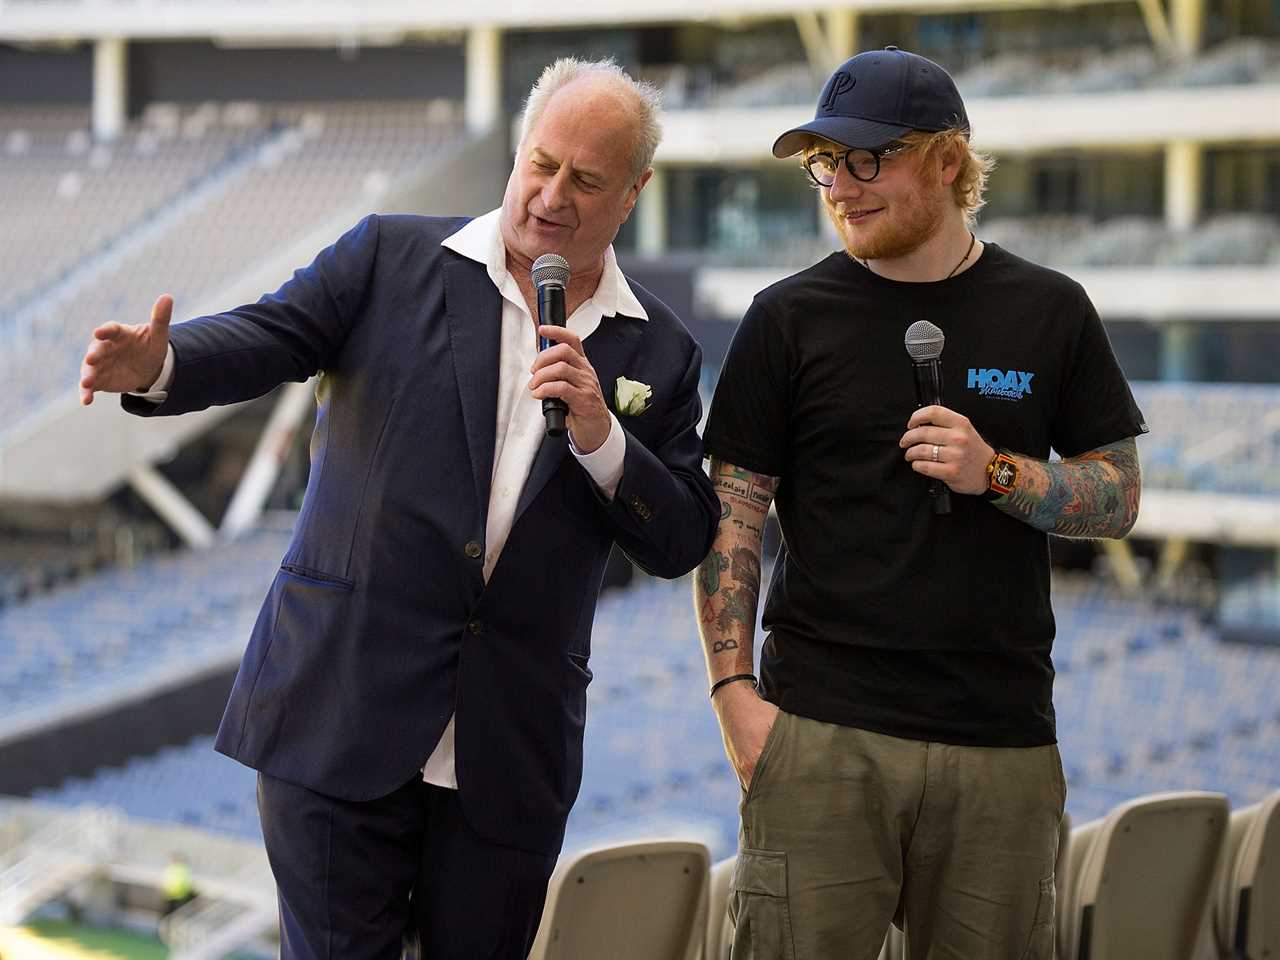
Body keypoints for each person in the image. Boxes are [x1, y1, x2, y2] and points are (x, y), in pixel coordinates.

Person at [78, 58, 718, 960]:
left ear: (635, 193)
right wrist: (160, 365)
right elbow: (267, 336)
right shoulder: (390, 256)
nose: (552, 194)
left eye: (586, 179)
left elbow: (684, 534)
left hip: (507, 762)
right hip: (338, 719)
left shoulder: (665, 348)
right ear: (516, 152)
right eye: (541, 163)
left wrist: (601, 434)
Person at [694, 47, 1146, 960]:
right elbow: (733, 517)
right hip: (821, 734)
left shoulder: (1051, 309)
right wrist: (736, 700)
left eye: (870, 159)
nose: (842, 187)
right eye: (827, 163)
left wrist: (1000, 473)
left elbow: (1120, 494)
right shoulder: (785, 318)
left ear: (949, 159)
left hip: (1000, 744)